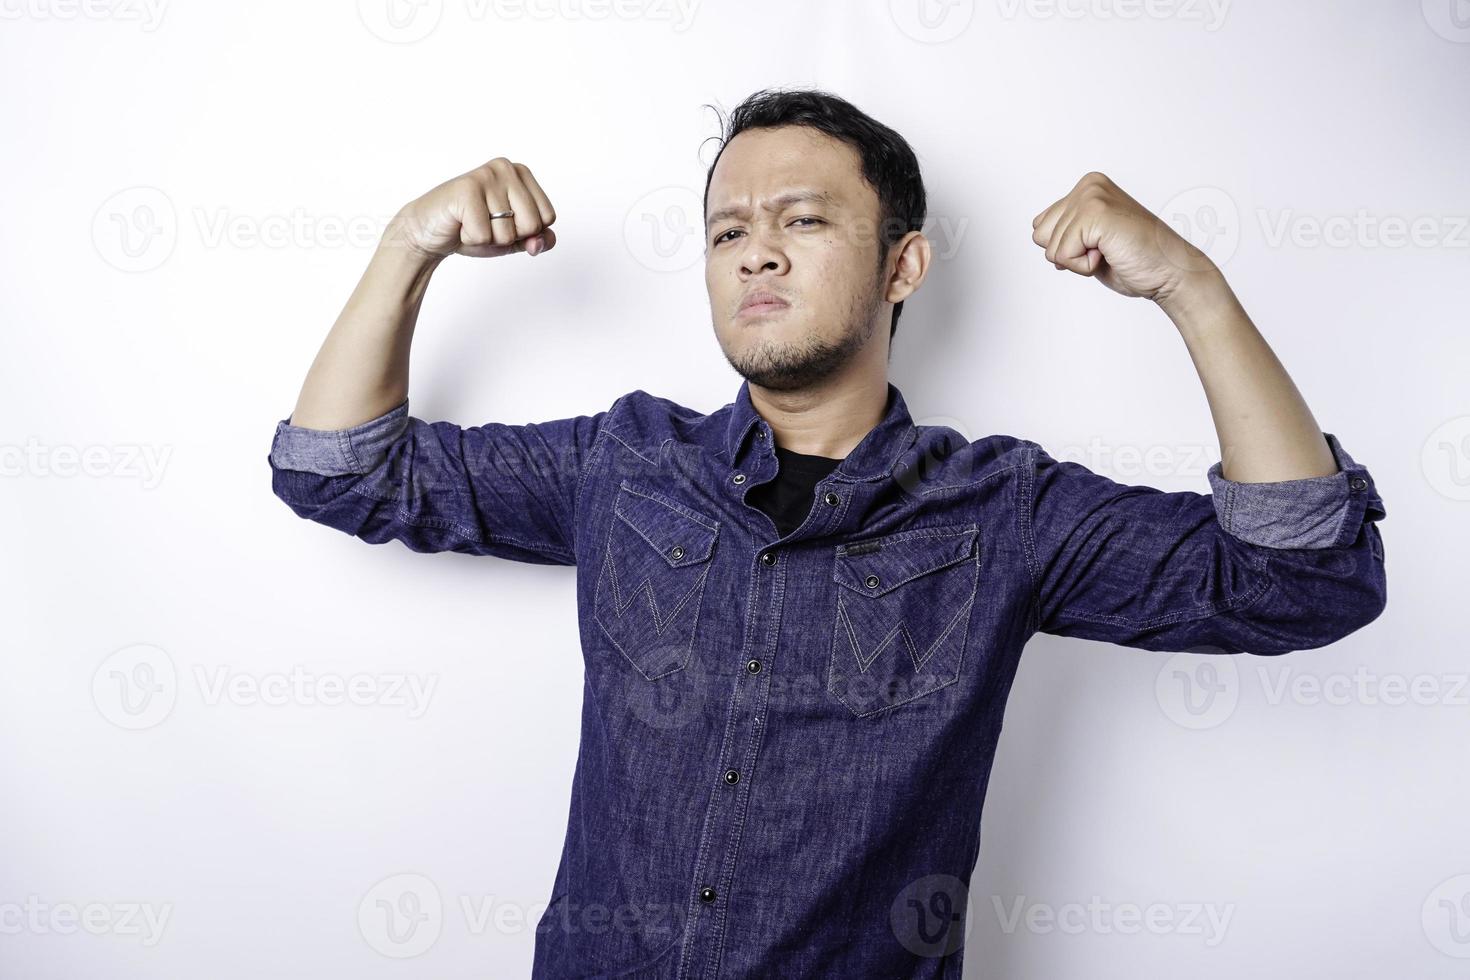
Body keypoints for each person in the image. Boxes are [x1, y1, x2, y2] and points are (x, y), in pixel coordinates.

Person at [266, 87, 1387, 978]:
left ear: (904, 264)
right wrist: (409, 243)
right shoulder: (622, 461)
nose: (757, 252)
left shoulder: (1006, 509)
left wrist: (1192, 286)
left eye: (804, 220)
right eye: (728, 230)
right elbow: (339, 471)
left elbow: (1301, 577)